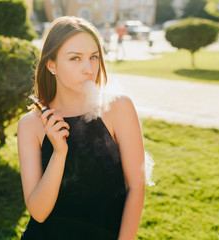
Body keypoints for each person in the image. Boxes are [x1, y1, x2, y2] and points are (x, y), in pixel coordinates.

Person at [17, 16, 145, 240]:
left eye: (94, 57)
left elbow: (136, 186)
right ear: (51, 65)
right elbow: (38, 212)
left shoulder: (118, 107)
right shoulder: (31, 125)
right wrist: (59, 153)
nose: (88, 68)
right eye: (75, 58)